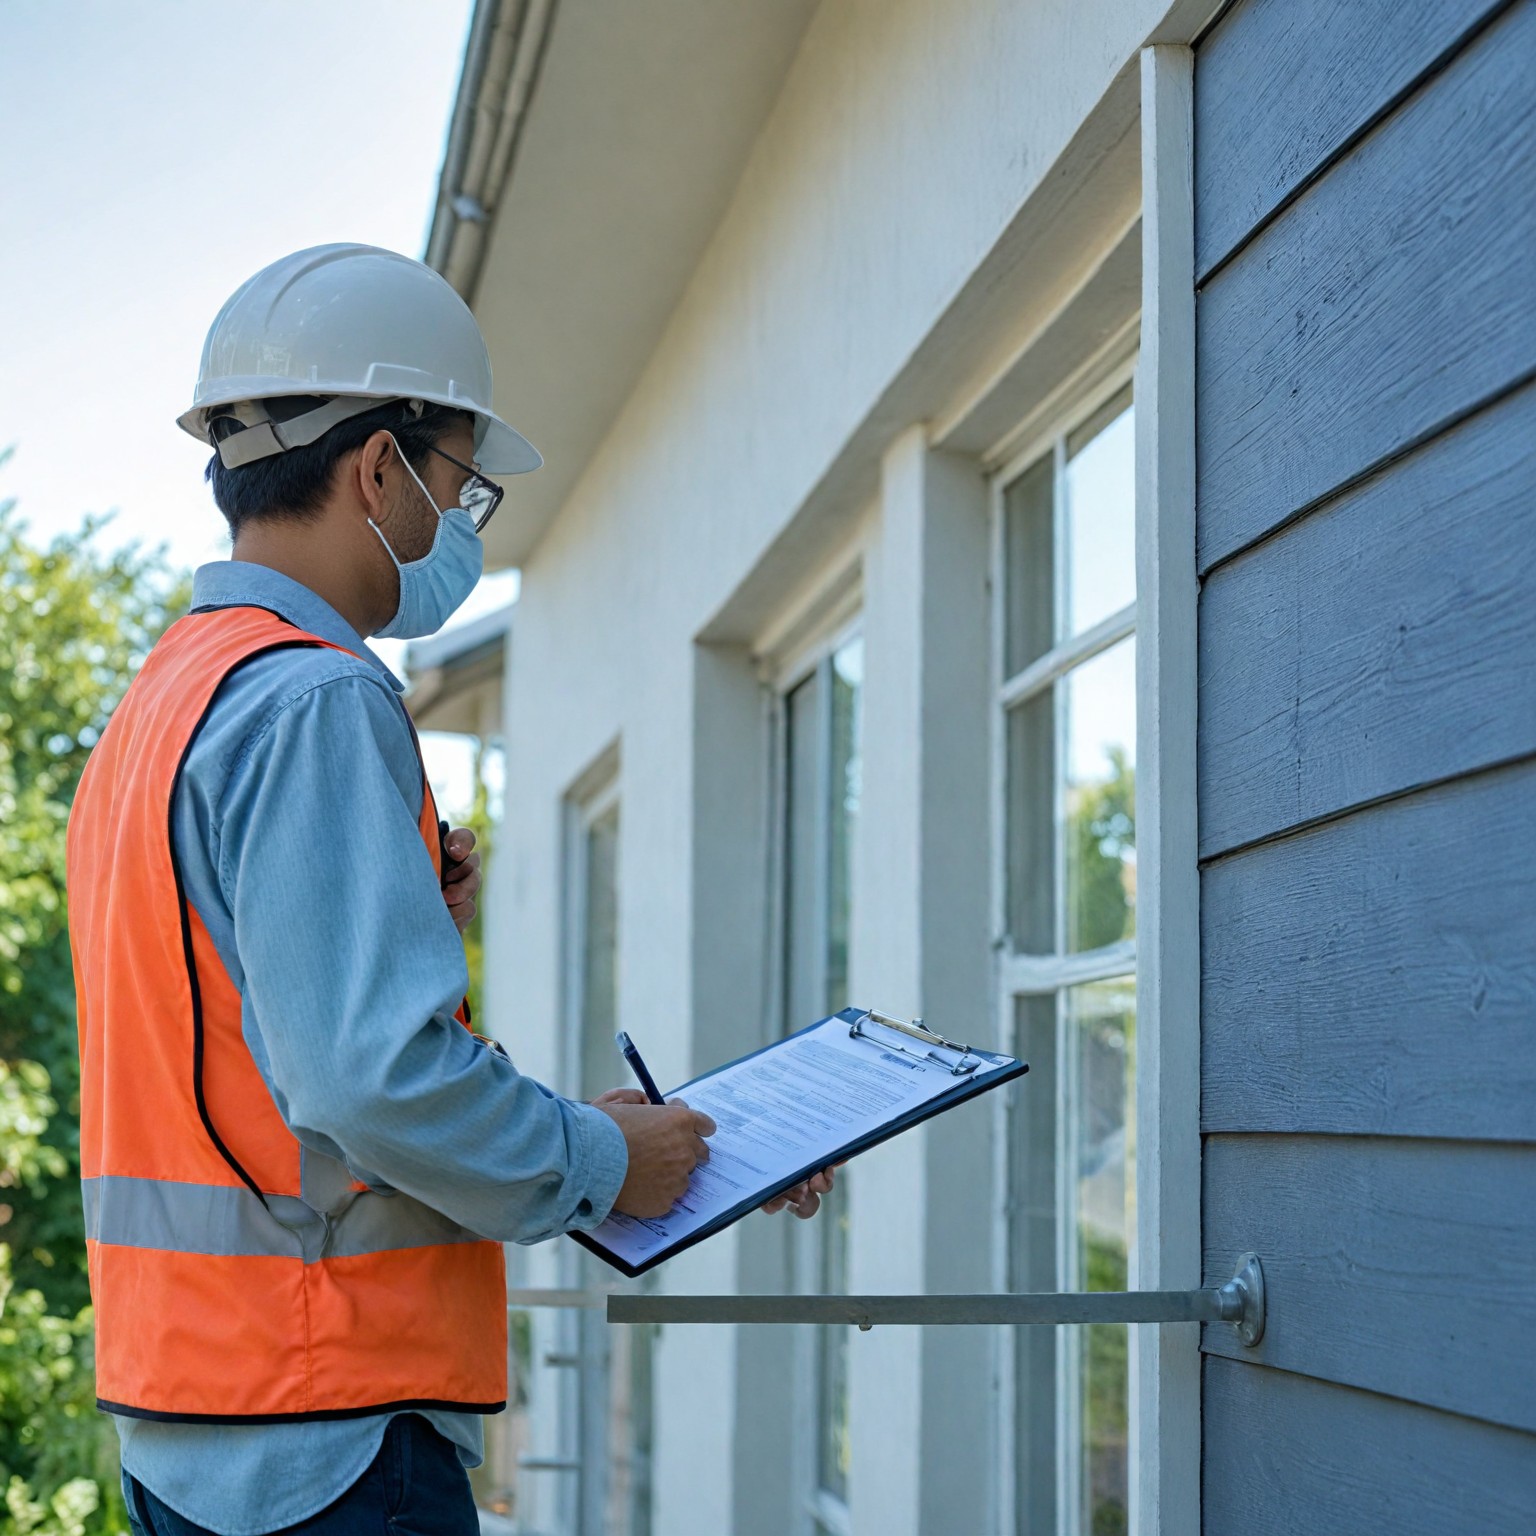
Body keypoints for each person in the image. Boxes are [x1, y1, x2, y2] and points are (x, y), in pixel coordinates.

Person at [65, 243, 836, 1536]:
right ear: (375, 469)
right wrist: (601, 1160)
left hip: (198, 1419)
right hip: (333, 1430)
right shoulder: (316, 698)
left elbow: (242, 1039)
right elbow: (368, 1078)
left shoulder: (162, 705)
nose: (451, 525)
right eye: (455, 482)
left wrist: (404, 916)